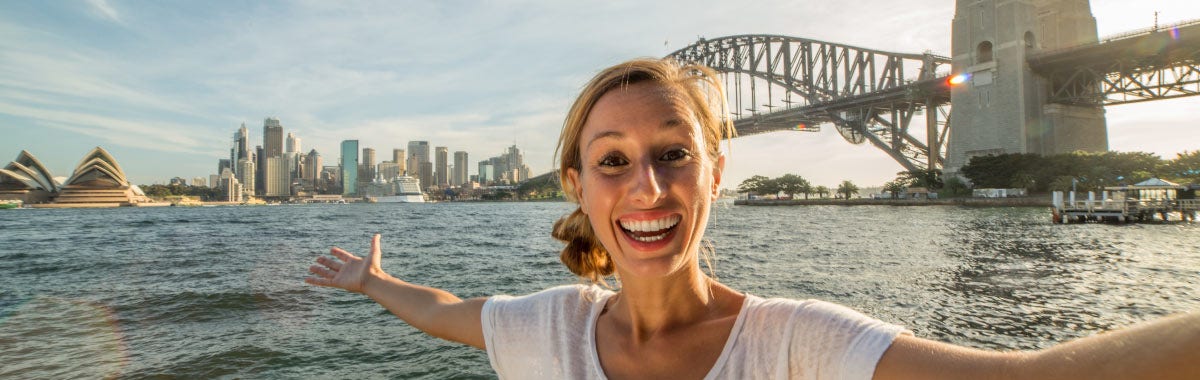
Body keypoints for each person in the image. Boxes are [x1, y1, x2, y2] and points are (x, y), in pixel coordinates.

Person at [306, 57, 1200, 379]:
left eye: (674, 151)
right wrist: (370, 281)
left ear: (717, 171)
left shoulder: (796, 344)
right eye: (612, 161)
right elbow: (441, 311)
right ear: (575, 185)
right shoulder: (542, 328)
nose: (647, 186)